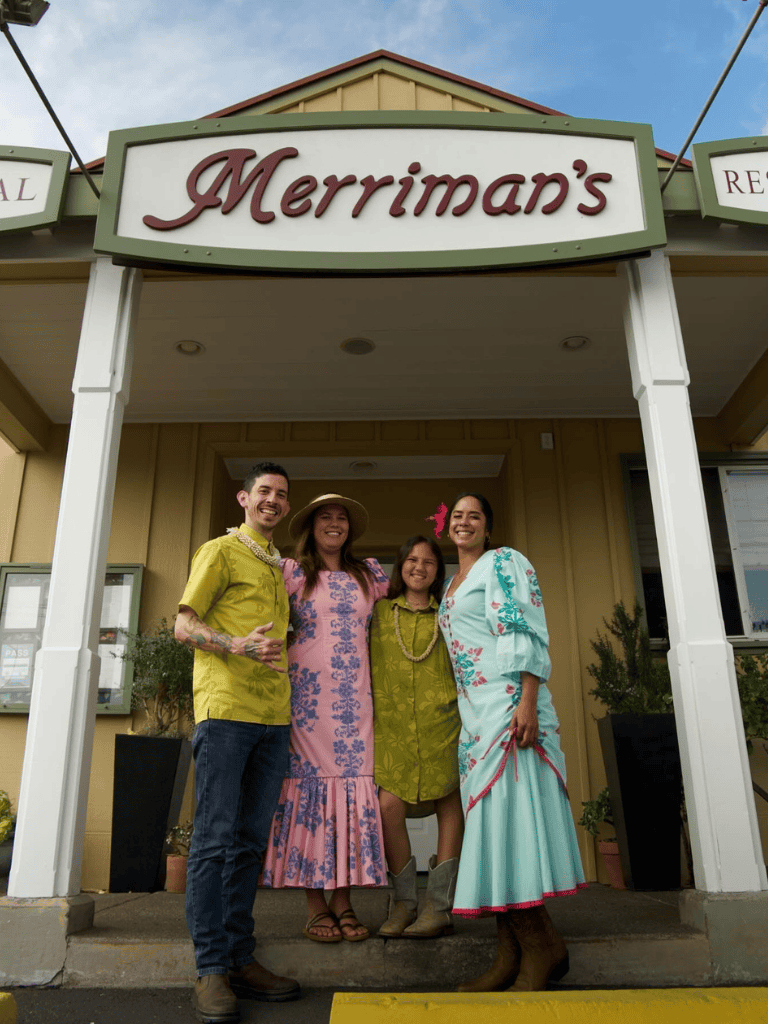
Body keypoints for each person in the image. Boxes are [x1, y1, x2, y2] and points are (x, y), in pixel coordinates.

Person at [439, 493, 586, 993]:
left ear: (488, 527)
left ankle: (541, 948)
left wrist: (527, 700)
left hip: (508, 709)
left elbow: (523, 631)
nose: (464, 522)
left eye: (474, 516)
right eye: (457, 516)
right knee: (494, 835)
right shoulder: (452, 583)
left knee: (510, 829)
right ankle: (511, 953)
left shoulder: (503, 562)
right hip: (475, 720)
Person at [175, 462, 300, 1024]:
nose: (273, 500)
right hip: (225, 713)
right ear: (244, 498)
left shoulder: (276, 565)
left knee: (250, 843)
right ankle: (210, 968)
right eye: (264, 491)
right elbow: (183, 626)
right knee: (213, 841)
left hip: (274, 718)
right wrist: (236, 645)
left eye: (281, 494)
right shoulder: (220, 551)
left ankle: (239, 957)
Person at [261, 494, 390, 943]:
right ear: (310, 527)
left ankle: (344, 900)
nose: (334, 524)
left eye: (341, 518)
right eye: (325, 517)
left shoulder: (368, 574)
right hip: (308, 700)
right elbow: (263, 616)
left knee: (352, 792)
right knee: (310, 794)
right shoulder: (292, 573)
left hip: (356, 701)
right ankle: (316, 904)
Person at [370, 535, 463, 939]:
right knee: (389, 807)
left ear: (438, 571)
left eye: (428, 561)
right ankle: (404, 903)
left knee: (449, 804)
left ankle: (439, 906)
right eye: (412, 559)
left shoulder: (450, 615)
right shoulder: (379, 612)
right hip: (393, 730)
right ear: (400, 565)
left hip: (444, 725)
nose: (419, 567)